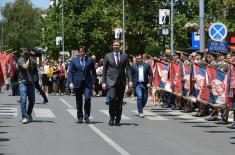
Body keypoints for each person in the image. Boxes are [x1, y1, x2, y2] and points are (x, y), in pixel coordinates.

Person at [102, 40, 132, 126]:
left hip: (121, 81)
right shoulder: (108, 56)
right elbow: (104, 70)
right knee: (112, 98)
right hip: (111, 81)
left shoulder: (125, 56)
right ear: (113, 46)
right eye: (114, 45)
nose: (116, 46)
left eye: (118, 45)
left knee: (119, 100)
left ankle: (118, 119)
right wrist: (103, 82)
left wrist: (130, 80)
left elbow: (128, 69)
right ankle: (112, 117)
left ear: (120, 46)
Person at [68, 47, 96, 124]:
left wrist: (93, 83)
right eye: (80, 51)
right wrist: (70, 82)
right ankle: (80, 116)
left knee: (87, 98)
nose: (82, 53)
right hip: (77, 83)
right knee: (79, 101)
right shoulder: (74, 60)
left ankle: (86, 116)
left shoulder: (90, 60)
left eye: (83, 51)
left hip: (87, 83)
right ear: (79, 52)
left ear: (85, 52)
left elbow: (93, 72)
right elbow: (70, 72)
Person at [17, 48, 35, 124]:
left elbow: (37, 64)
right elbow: (25, 67)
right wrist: (28, 59)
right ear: (21, 53)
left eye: (26, 52)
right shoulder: (20, 60)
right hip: (23, 83)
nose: (25, 53)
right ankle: (24, 117)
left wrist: (32, 56)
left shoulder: (30, 59)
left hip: (31, 83)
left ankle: (28, 113)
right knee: (23, 100)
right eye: (24, 52)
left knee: (32, 101)